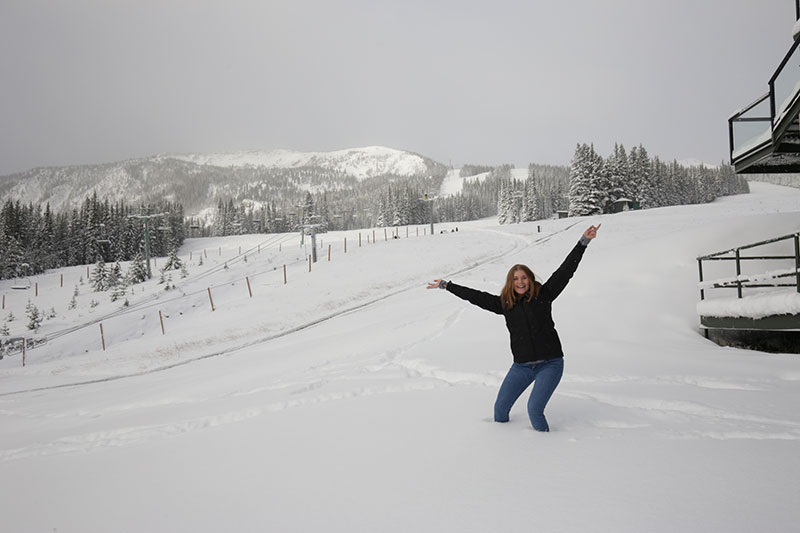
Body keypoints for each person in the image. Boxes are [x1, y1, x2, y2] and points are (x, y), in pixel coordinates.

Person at [426, 224, 600, 432]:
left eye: (524, 277)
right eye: (516, 278)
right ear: (511, 282)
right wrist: (447, 285)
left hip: (550, 364)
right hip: (521, 367)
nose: (520, 282)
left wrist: (583, 242)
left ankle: (547, 446)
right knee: (500, 410)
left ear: (530, 279)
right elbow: (476, 296)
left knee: (534, 409)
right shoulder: (505, 304)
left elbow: (565, 271)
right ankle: (502, 444)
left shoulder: (544, 295)